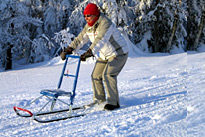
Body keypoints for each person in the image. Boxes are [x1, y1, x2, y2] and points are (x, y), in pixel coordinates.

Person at [60, 3, 128, 111]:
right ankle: (99, 100)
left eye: (89, 15)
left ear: (96, 15)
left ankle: (113, 102)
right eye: (85, 16)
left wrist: (89, 52)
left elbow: (100, 39)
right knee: (95, 76)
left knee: (108, 75)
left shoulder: (106, 23)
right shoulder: (89, 26)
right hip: (104, 54)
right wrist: (69, 49)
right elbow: (80, 39)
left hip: (118, 53)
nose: (86, 18)